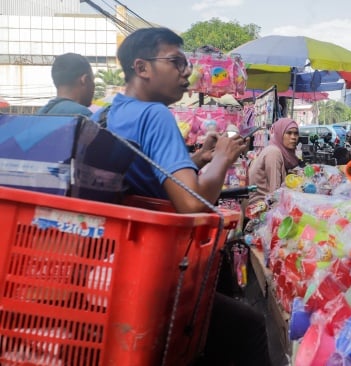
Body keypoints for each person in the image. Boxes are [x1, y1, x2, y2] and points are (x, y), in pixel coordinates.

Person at [90, 27, 270, 365]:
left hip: (114, 266)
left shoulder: (108, 113)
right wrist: (222, 159)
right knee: (249, 325)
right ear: (142, 68)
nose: (187, 72)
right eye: (176, 62)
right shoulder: (155, 115)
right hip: (154, 273)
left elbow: (145, 179)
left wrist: (197, 160)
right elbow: (190, 204)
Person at [247, 118, 300, 204]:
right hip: (260, 207)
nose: (293, 137)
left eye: (296, 133)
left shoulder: (281, 152)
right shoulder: (274, 153)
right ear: (280, 134)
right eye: (289, 133)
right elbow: (275, 192)